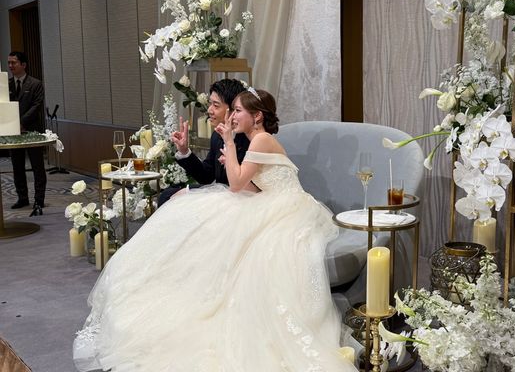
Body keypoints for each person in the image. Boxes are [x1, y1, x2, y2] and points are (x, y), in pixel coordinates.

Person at [73, 88, 358, 371]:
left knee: (223, 226)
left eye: (238, 111)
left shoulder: (260, 140)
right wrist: (227, 158)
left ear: (257, 116)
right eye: (232, 110)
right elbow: (253, 185)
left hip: (287, 209)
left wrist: (230, 146)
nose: (232, 116)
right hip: (270, 200)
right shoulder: (257, 139)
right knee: (204, 215)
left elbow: (236, 184)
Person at [158, 78, 251, 206]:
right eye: (210, 104)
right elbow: (206, 177)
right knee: (167, 195)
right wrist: (184, 151)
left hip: (238, 199)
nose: (209, 110)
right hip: (219, 193)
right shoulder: (217, 136)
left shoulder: (248, 139)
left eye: (216, 105)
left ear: (233, 109)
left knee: (174, 199)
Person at [7, 51, 46, 216]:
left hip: (32, 130)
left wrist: (21, 122)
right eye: (9, 63)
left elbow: (37, 105)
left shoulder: (35, 84)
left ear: (23, 65)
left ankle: (39, 199)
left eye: (14, 62)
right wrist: (12, 124)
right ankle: (22, 197)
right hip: (13, 132)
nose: (10, 66)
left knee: (37, 166)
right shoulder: (6, 84)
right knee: (17, 166)